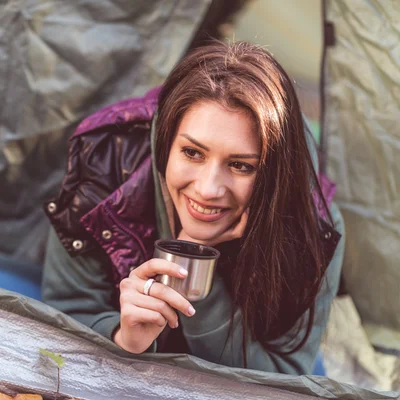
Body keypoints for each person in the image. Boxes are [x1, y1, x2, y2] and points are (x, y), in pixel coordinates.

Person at [41, 41, 344, 375]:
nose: (208, 189)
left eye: (241, 165)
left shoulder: (313, 227)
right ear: (166, 142)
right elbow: (67, 309)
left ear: (272, 173)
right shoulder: (103, 169)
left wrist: (197, 274)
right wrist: (121, 338)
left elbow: (284, 374)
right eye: (192, 153)